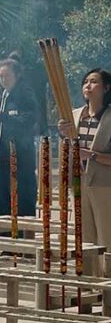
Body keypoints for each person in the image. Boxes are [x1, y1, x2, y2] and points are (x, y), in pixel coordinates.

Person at [59, 68, 111, 251]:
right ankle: (88, 273)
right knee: (83, 234)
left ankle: (108, 274)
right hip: (79, 180)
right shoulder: (73, 115)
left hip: (105, 184)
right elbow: (67, 148)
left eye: (94, 81)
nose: (88, 85)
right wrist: (63, 134)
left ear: (106, 88)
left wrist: (92, 156)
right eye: (86, 81)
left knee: (106, 233)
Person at [0, 54, 38, 217]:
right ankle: (2, 238)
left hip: (20, 160)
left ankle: (22, 239)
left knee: (21, 204)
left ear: (17, 75)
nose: (4, 80)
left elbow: (27, 122)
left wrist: (2, 116)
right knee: (1, 204)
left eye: (7, 76)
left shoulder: (26, 94)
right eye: (1, 76)